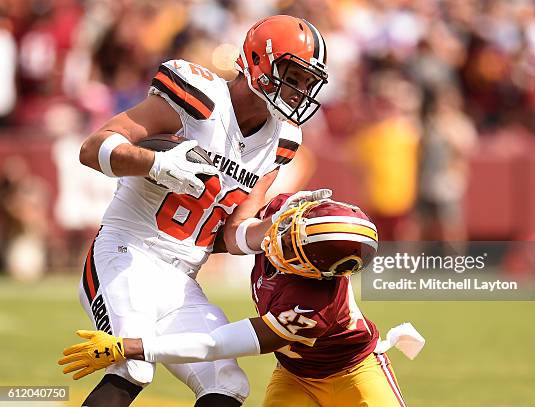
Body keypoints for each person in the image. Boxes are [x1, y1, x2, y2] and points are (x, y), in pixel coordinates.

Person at [72, 15, 330, 407]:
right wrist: (153, 164)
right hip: (126, 253)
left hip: (182, 278)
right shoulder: (200, 97)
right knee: (131, 366)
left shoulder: (283, 140)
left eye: (307, 84)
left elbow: (234, 232)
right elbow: (92, 148)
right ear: (258, 61)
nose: (299, 92)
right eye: (292, 77)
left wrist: (278, 229)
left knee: (228, 383)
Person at [60, 195, 425, 406]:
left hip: (354, 373)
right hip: (296, 374)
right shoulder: (284, 212)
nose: (277, 236)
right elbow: (225, 234)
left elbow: (216, 344)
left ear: (317, 272)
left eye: (292, 242)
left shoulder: (313, 303)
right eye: (289, 225)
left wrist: (131, 346)